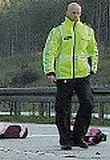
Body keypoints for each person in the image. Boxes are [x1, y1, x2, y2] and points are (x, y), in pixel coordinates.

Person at [42, 2, 99, 150]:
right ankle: (65, 139)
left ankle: (79, 136)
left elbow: (93, 50)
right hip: (64, 75)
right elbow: (49, 52)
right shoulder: (58, 31)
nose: (76, 15)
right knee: (62, 108)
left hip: (82, 74)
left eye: (78, 13)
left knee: (88, 103)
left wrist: (92, 68)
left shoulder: (87, 31)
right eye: (73, 12)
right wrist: (50, 71)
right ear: (67, 12)